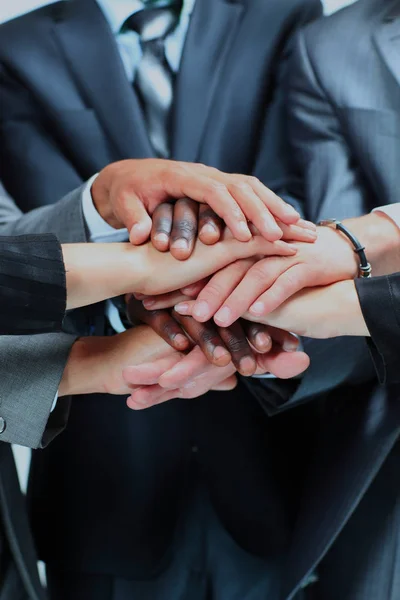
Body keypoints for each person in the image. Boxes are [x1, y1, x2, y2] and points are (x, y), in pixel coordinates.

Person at [0, 1, 324, 598]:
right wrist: (129, 232)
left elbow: (303, 187)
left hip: (269, 441)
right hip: (104, 468)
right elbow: (32, 240)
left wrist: (195, 250)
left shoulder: (282, 14)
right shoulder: (14, 47)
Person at [135, 1, 400, 597]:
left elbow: (349, 253)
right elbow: (326, 261)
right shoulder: (332, 47)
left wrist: (380, 234)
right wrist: (255, 332)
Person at [0, 167, 309, 600]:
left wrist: (95, 360)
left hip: (268, 484)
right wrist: (137, 267)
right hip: (102, 494)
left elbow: (8, 240)